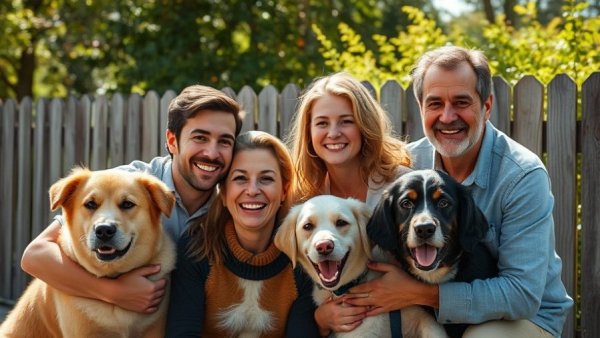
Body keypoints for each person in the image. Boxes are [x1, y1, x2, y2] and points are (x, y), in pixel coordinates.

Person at [348, 46, 573, 337]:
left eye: (461, 102)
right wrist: (324, 316)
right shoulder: (404, 166)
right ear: (421, 108)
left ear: (487, 105)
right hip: (426, 315)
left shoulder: (522, 176)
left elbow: (522, 295)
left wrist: (422, 295)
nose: (447, 116)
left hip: (523, 319)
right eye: (435, 103)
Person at [20, 85, 243, 313]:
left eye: (224, 141)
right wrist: (113, 293)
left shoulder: (235, 204)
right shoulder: (126, 184)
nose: (212, 153)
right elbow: (35, 256)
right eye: (200, 138)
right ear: (172, 141)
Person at [285, 72, 412, 336]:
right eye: (322, 123)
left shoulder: (401, 188)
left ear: (364, 125)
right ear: (309, 132)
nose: (333, 133)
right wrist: (319, 319)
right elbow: (294, 289)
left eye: (346, 121)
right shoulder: (302, 198)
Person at [166, 131, 318, 337]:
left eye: (266, 179)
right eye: (240, 178)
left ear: (284, 190)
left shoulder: (302, 255)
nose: (253, 190)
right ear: (224, 192)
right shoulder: (196, 248)